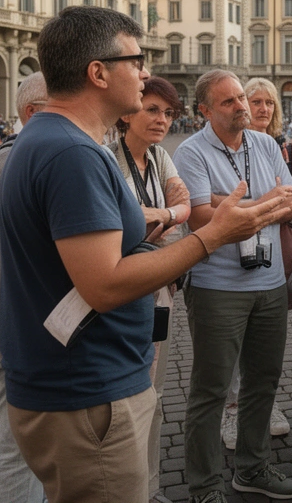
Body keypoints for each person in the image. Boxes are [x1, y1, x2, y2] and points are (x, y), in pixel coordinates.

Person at [0, 7, 292, 503]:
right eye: (137, 60)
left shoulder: (57, 141)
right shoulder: (73, 153)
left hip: (82, 385)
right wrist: (211, 236)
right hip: (88, 392)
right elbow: (105, 282)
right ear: (98, 73)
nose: (146, 72)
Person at [173, 70, 292, 503]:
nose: (242, 107)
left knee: (263, 381)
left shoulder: (266, 144)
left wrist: (228, 205)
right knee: (211, 389)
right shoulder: (192, 152)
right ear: (205, 110)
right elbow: (196, 217)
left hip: (269, 280)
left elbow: (290, 202)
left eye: (242, 99)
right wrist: (251, 205)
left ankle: (252, 468)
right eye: (228, 101)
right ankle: (205, 485)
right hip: (216, 285)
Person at [107, 76, 192, 503]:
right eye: (152, 109)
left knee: (154, 394)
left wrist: (156, 216)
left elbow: (185, 203)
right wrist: (165, 217)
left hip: (161, 288)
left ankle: (150, 486)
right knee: (126, 396)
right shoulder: (107, 158)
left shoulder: (160, 157)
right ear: (126, 113)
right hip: (121, 294)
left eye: (168, 112)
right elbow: (120, 222)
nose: (161, 119)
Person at [221, 78, 292, 447]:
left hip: (273, 259)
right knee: (231, 341)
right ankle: (231, 411)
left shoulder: (287, 149)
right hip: (227, 264)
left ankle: (264, 404)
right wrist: (269, 202)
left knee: (264, 342)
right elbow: (208, 211)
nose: (261, 109)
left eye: (268, 103)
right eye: (254, 101)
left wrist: (245, 209)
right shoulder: (223, 149)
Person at [0, 75, 47, 503]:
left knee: (32, 439)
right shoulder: (15, 158)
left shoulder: (23, 153)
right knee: (19, 443)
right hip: (15, 314)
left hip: (22, 312)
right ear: (33, 113)